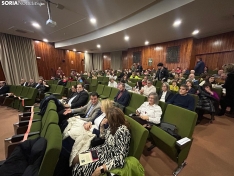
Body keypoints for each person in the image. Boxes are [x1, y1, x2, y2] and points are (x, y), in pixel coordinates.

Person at [54, 99, 113, 176]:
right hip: (90, 127)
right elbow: (93, 121)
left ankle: (64, 159)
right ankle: (60, 149)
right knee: (71, 123)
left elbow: (103, 135)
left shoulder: (108, 119)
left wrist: (92, 128)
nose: (100, 106)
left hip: (94, 133)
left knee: (73, 136)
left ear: (106, 107)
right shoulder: (101, 113)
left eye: (102, 105)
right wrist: (89, 123)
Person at [72, 107, 130, 176]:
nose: (106, 119)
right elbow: (103, 136)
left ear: (113, 119)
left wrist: (102, 168)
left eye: (108, 117)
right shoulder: (112, 126)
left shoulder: (122, 131)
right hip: (102, 150)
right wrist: (102, 126)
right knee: (76, 159)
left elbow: (120, 157)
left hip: (109, 157)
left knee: (79, 168)